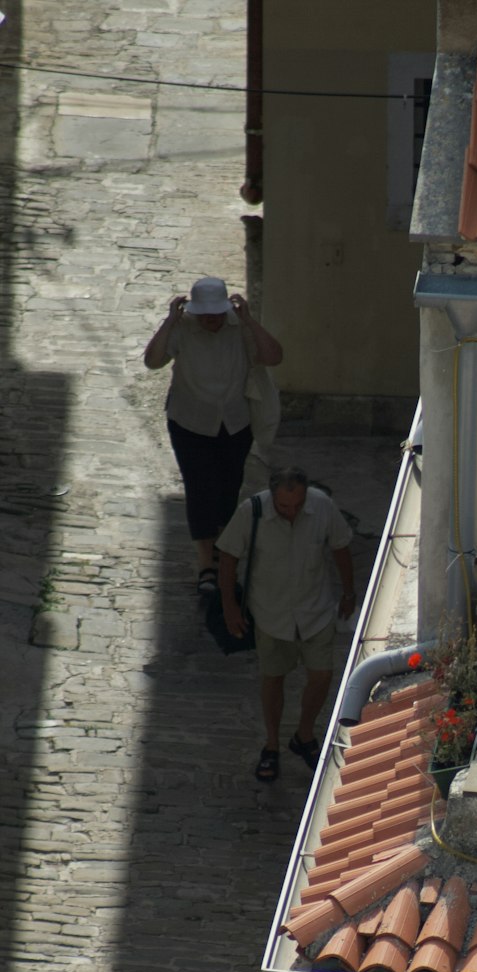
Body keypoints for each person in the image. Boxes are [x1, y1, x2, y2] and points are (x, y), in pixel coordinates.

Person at [143, 276, 283, 596]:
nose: (211, 319)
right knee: (199, 488)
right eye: (205, 313)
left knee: (228, 487)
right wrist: (169, 321)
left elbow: (274, 356)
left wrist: (249, 320)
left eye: (216, 313)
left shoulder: (240, 328)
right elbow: (152, 361)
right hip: (189, 421)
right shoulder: (183, 328)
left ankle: (223, 551)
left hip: (234, 422)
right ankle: (206, 561)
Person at [216, 466, 356, 783]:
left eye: (296, 505)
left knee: (322, 675)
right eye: (283, 507)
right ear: (272, 497)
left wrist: (349, 592)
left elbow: (341, 547)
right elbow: (227, 557)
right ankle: (271, 745)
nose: (291, 512)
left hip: (315, 609)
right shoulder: (250, 512)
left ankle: (304, 734)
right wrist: (229, 607)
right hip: (270, 612)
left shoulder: (322, 507)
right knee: (273, 678)